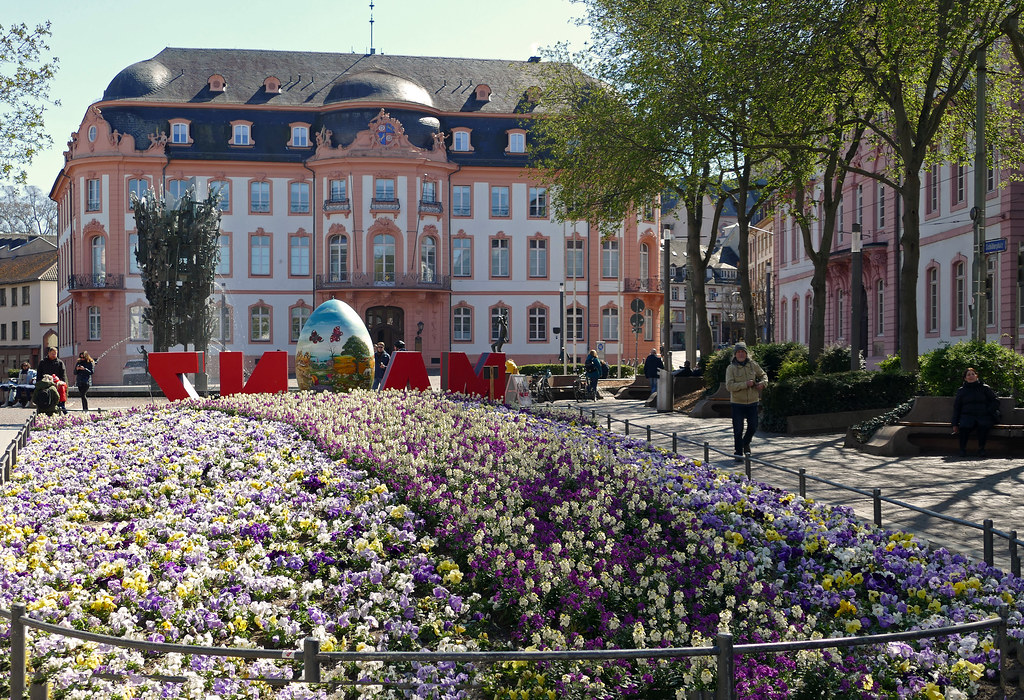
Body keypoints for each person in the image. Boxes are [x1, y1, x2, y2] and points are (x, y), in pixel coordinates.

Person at [724, 342, 767, 462]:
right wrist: (745, 384)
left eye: (743, 352)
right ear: (735, 355)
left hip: (752, 402)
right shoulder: (731, 368)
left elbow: (764, 375)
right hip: (737, 403)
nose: (741, 354)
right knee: (738, 429)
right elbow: (729, 386)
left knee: (753, 427)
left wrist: (763, 383)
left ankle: (745, 443)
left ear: (746, 354)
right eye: (738, 352)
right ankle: (738, 453)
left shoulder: (753, 365)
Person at [951, 367, 1000, 458]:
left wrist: (989, 410)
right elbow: (957, 407)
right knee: (964, 427)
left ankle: (981, 449)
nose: (971, 376)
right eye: (968, 375)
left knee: (984, 426)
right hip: (967, 415)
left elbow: (995, 401)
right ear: (965, 378)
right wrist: (954, 423)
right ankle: (962, 449)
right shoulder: (961, 391)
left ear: (976, 376)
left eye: (973, 374)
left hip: (983, 414)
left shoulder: (985, 388)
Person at [37, 347, 68, 414]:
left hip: (58, 385)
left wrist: (64, 384)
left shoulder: (60, 363)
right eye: (52, 354)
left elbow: (63, 375)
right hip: (45, 385)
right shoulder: (43, 362)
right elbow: (39, 374)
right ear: (48, 353)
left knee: (59, 400)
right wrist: (39, 384)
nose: (54, 355)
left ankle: (60, 413)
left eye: (55, 354)